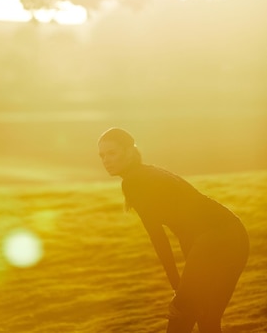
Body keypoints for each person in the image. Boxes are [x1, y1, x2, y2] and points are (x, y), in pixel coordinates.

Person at [98, 127, 249, 333]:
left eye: (112, 153)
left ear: (129, 151)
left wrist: (178, 288)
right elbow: (188, 226)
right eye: (102, 155)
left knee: (181, 318)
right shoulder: (150, 172)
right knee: (208, 319)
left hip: (215, 239)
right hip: (236, 234)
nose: (106, 160)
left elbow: (158, 236)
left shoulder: (134, 182)